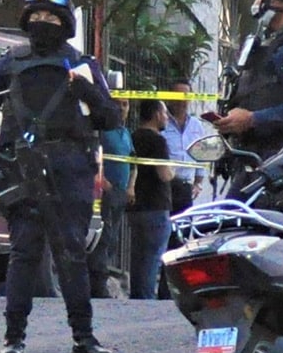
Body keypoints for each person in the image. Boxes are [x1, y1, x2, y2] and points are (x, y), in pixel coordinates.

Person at [0, 0, 121, 353]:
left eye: (51, 18)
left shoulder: (82, 64)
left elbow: (111, 120)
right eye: (36, 17)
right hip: (20, 168)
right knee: (23, 253)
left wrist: (87, 90)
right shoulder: (10, 62)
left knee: (71, 254)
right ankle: (13, 339)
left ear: (65, 23)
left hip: (70, 168)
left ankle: (83, 339)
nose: (42, 23)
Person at [214, 0, 283, 192]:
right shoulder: (270, 45)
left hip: (282, 173)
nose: (258, 2)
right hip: (258, 167)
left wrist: (252, 119)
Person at [86, 97, 136, 299]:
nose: (121, 108)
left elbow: (134, 163)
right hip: (105, 192)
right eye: (118, 103)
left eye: (125, 104)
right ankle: (97, 284)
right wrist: (103, 181)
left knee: (112, 238)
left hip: (121, 193)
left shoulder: (125, 133)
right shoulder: (102, 131)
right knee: (103, 237)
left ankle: (102, 278)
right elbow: (93, 155)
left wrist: (131, 187)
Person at [128, 100, 174, 299]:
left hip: (136, 206)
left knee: (138, 258)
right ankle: (146, 300)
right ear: (156, 114)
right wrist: (175, 173)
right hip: (156, 206)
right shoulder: (158, 141)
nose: (166, 118)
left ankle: (136, 296)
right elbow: (164, 174)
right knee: (153, 258)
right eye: (164, 113)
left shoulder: (133, 137)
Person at [163, 79, 207, 214]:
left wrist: (198, 183)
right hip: (165, 187)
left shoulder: (196, 125)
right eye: (177, 96)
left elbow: (201, 155)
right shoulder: (161, 122)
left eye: (185, 96)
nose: (181, 101)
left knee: (185, 229)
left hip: (186, 188)